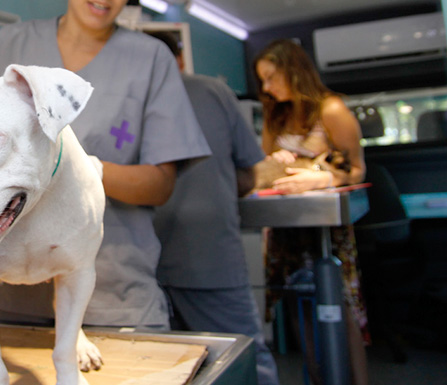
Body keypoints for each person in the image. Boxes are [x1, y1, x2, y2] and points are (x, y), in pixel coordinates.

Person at [0, 0, 211, 330]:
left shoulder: (150, 59)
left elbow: (159, 186)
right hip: (4, 296)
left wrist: (80, 167)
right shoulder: (9, 45)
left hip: (112, 298)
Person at [146, 31, 280, 385]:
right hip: (209, 255)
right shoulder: (212, 91)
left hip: (141, 263)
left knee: (168, 370)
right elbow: (249, 175)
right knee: (243, 358)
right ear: (180, 59)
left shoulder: (124, 100)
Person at [254, 38, 369, 385]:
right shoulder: (277, 116)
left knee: (341, 310)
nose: (267, 87)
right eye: (262, 80)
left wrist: (318, 178)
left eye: (272, 77)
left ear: (294, 70)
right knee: (298, 309)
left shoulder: (331, 111)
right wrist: (273, 164)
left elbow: (358, 170)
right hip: (286, 229)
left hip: (326, 228)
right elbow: (260, 171)